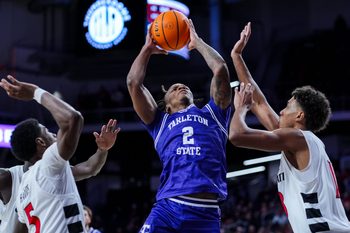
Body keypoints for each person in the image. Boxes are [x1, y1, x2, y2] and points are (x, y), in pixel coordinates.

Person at [229, 22, 350, 233]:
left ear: (300, 116)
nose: (281, 111)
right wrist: (236, 56)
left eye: (287, 107)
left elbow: (237, 135)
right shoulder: (297, 142)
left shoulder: (298, 138)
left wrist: (240, 109)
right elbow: (259, 102)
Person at [127, 19, 232, 233]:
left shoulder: (214, 114)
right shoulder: (160, 122)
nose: (181, 87)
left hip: (205, 211)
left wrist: (198, 42)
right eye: (174, 89)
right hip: (168, 207)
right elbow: (133, 83)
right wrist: (147, 49)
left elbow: (220, 69)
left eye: (184, 86)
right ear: (166, 106)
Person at [0, 75, 118, 233]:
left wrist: (102, 150)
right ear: (41, 143)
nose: (55, 135)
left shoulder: (24, 192)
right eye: (48, 132)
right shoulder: (48, 166)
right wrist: (35, 92)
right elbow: (72, 119)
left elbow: (90, 168)